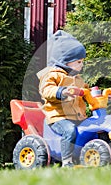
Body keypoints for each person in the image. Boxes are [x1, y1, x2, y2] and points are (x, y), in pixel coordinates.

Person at [36, 30, 88, 167]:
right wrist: (62, 91)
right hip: (58, 117)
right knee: (69, 131)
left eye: (82, 61)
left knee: (90, 127)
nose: (81, 65)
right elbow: (45, 90)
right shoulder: (52, 75)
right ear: (65, 61)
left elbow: (85, 92)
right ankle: (67, 161)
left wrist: (99, 94)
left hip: (76, 116)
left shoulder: (77, 78)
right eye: (78, 61)